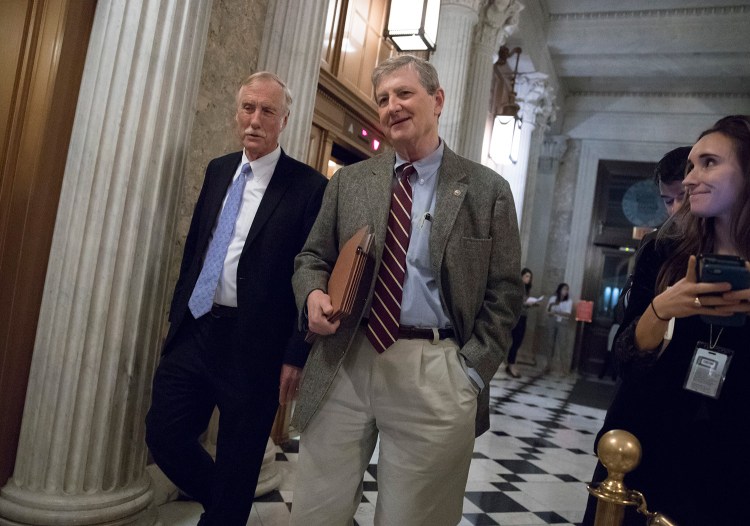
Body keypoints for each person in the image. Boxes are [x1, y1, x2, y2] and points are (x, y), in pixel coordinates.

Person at [289, 55, 522, 525]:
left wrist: (469, 373)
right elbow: (311, 257)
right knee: (314, 510)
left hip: (435, 369)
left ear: (437, 100)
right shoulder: (351, 182)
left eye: (403, 94)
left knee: (413, 518)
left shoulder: (485, 189)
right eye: (382, 99)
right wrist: (312, 294)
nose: (391, 106)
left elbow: (505, 292)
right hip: (346, 358)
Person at [144, 72, 327, 525]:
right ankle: (224, 503)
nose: (255, 119)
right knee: (164, 433)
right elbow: (197, 249)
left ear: (284, 119)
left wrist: (295, 352)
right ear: (236, 113)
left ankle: (224, 511)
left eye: (267, 111)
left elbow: (311, 271)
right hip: (198, 327)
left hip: (256, 346)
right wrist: (178, 314)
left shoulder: (307, 187)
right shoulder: (219, 169)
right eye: (248, 107)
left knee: (240, 459)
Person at [583, 115, 750, 526]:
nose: (691, 179)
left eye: (709, 163)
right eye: (691, 165)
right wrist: (661, 309)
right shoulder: (664, 249)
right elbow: (625, 357)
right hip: (646, 440)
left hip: (733, 455)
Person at [506, 268, 539, 377]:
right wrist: (526, 303)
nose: (528, 279)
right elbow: (515, 302)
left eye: (530, 277)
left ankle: (510, 364)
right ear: (521, 276)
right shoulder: (517, 288)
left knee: (518, 342)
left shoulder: (526, 289)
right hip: (516, 318)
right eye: (526, 276)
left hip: (523, 317)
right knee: (515, 342)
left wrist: (532, 304)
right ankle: (511, 365)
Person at [545, 282, 573, 374]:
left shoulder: (568, 301)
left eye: (567, 289)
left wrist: (557, 312)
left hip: (563, 322)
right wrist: (554, 312)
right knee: (549, 343)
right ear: (560, 289)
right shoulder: (553, 298)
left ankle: (564, 368)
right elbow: (548, 310)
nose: (565, 291)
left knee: (562, 344)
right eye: (564, 289)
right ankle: (548, 365)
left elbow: (568, 314)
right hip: (552, 320)